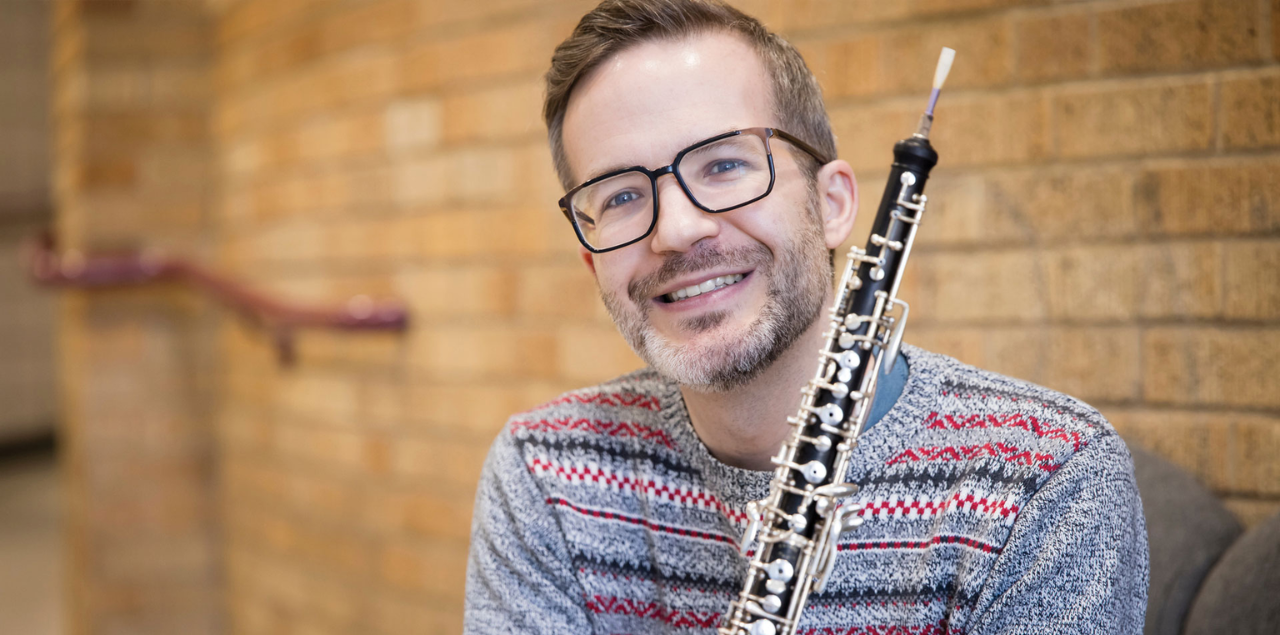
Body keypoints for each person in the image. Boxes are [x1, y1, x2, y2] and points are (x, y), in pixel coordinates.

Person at [464, 1, 1149, 633]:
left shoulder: (1048, 479)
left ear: (833, 205)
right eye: (618, 197)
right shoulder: (545, 471)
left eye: (723, 165)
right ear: (592, 262)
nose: (675, 231)